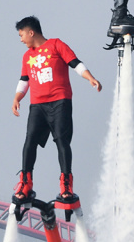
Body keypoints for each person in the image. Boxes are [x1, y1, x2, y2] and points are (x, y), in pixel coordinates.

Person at [11, 16, 102, 207]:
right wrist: (17, 98)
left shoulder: (56, 45)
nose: (21, 40)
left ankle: (66, 185)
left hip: (59, 101)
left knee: (61, 140)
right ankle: (25, 184)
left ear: (31, 32)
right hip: (37, 105)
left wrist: (90, 78)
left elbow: (75, 63)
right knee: (29, 142)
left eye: (21, 35)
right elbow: (24, 80)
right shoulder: (27, 56)